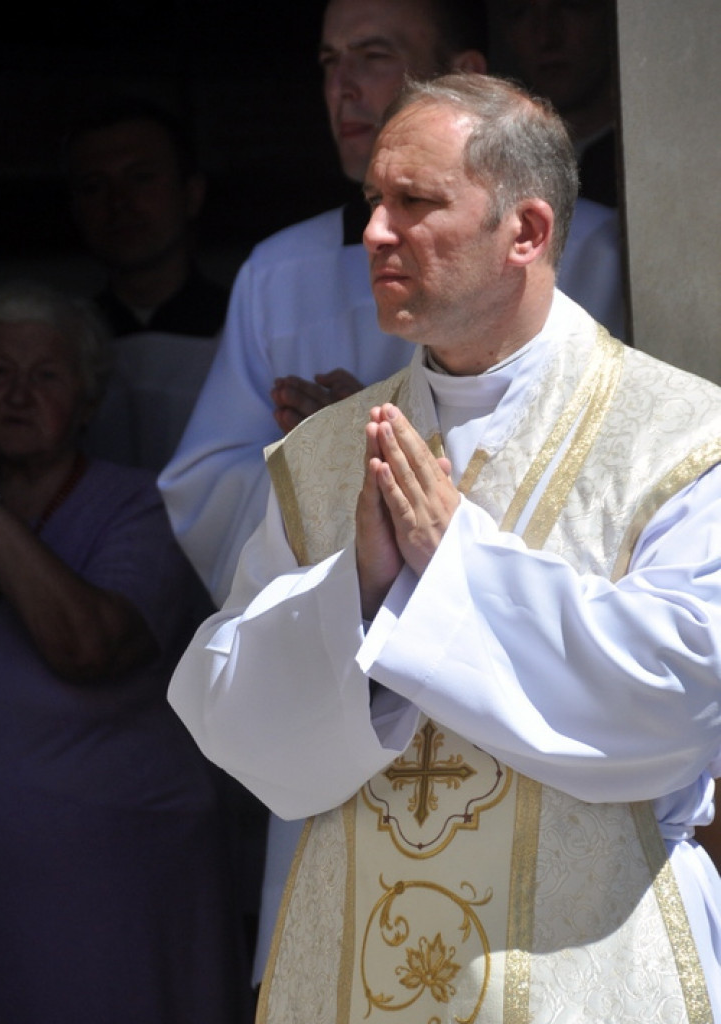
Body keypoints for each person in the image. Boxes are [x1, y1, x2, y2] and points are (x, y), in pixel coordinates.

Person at [168, 72, 721, 1024]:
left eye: (415, 203)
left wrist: (454, 566)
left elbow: (685, 688)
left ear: (528, 232)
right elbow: (229, 717)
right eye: (374, 201)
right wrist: (358, 591)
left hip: (586, 968)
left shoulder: (683, 438)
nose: (377, 232)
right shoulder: (323, 459)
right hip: (354, 967)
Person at [158, 0, 625, 613]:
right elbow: (207, 489)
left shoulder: (587, 249)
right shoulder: (276, 271)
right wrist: (327, 459)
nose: (340, 87)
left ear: (464, 75)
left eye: (374, 57)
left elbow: (608, 474)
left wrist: (386, 445)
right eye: (329, 62)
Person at [0, 282, 249, 1024]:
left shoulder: (139, 507)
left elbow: (87, 646)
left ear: (87, 401)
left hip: (116, 890)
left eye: (46, 376)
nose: (18, 395)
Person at [66, 97, 229, 470]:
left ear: (191, 193)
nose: (119, 202)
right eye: (94, 186)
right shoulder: (64, 343)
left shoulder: (244, 331)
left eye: (140, 178)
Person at [497, 0, 619, 207]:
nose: (546, 37)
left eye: (571, 6)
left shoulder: (648, 156)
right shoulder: (500, 165)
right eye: (521, 12)